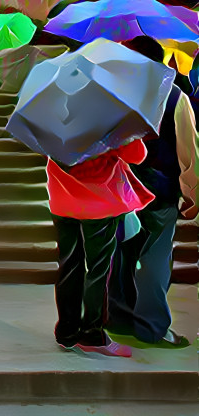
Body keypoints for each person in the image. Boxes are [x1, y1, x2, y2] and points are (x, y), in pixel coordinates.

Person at [106, 36, 197, 348]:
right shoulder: (175, 98)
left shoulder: (112, 95)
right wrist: (193, 194)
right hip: (160, 190)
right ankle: (151, 326)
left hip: (120, 189)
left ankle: (117, 319)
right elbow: (189, 152)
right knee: (155, 258)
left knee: (121, 254)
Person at [48, 135, 153, 357]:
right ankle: (91, 333)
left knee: (68, 264)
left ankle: (66, 331)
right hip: (98, 201)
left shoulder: (54, 113)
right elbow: (137, 155)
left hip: (62, 198)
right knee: (97, 269)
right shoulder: (109, 116)